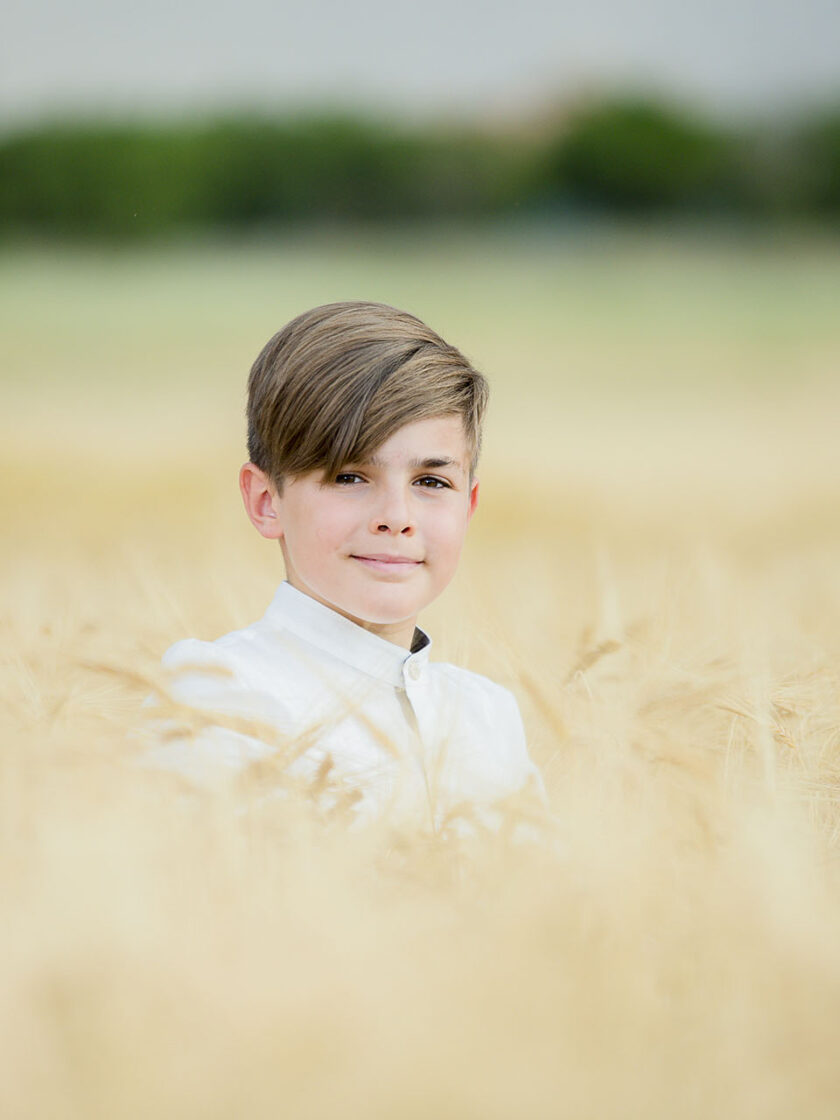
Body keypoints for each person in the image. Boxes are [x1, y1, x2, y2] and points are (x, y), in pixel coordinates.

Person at [142, 301, 547, 835]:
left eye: (431, 482)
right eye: (350, 477)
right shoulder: (219, 693)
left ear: (468, 506)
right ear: (267, 501)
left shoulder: (488, 716)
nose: (397, 518)